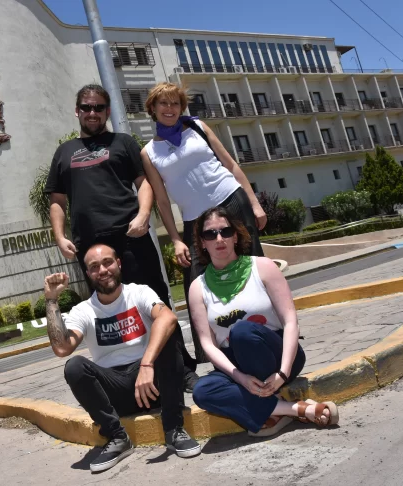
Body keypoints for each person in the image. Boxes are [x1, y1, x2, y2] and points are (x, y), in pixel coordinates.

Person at [45, 83, 199, 390]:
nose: (92, 113)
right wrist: (60, 237)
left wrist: (143, 216)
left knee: (156, 302)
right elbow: (57, 200)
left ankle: (180, 369)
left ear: (107, 111)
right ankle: (129, 370)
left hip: (132, 237)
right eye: (86, 107)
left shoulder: (123, 142)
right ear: (77, 111)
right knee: (112, 310)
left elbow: (145, 183)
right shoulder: (64, 153)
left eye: (98, 107)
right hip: (91, 248)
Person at [44, 243, 201, 473]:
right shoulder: (83, 310)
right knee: (74, 366)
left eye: (107, 262)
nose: (103, 270)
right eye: (94, 267)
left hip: (151, 384)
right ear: (88, 274)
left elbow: (167, 318)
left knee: (166, 338)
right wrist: (51, 300)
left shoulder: (139, 292)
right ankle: (117, 437)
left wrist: (147, 363)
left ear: (119, 263)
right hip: (115, 390)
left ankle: (174, 429)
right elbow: (61, 348)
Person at [140, 82, 266, 360]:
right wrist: (175, 239)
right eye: (163, 103)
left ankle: (274, 330)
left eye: (175, 103)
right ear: (153, 108)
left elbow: (231, 165)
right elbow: (161, 200)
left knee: (254, 266)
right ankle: (211, 352)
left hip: (231, 200)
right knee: (195, 282)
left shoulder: (198, 127)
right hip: (194, 219)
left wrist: (255, 203)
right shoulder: (149, 152)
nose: (170, 108)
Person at [188, 206, 339, 436]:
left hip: (277, 354)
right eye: (210, 234)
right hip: (236, 364)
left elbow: (290, 321)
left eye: (225, 231)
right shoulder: (198, 288)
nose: (219, 239)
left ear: (235, 235)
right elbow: (208, 344)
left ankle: (268, 407)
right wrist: (240, 377)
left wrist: (283, 373)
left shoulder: (263, 267)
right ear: (203, 242)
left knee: (242, 332)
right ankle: (292, 409)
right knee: (202, 391)